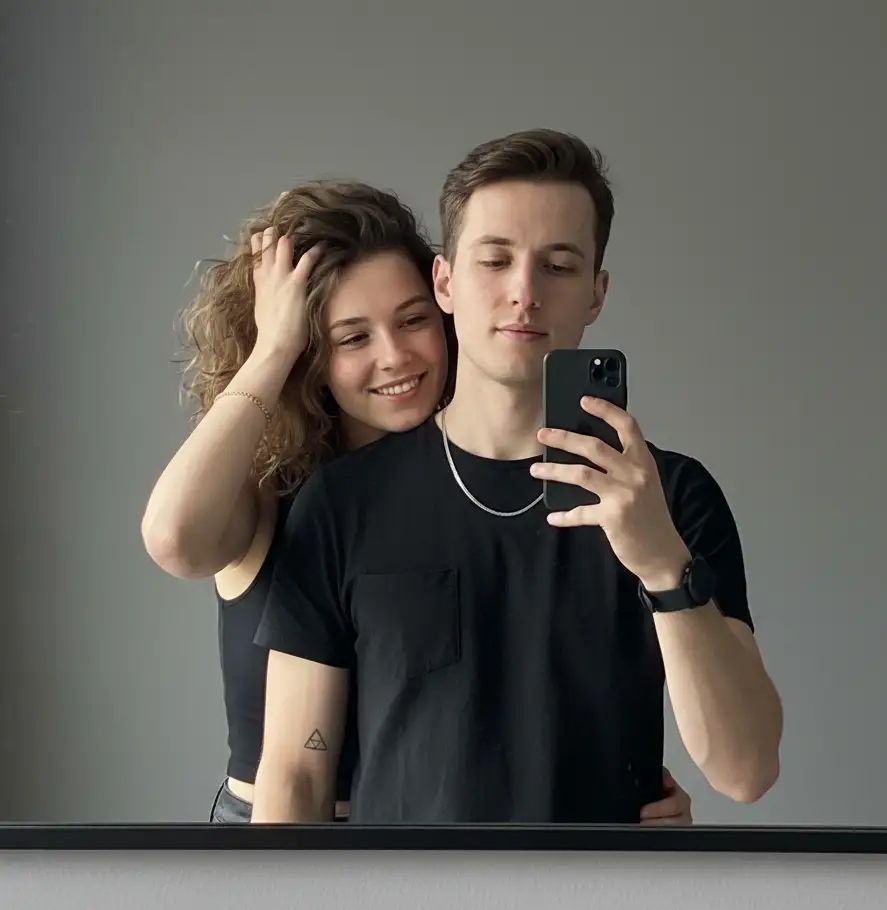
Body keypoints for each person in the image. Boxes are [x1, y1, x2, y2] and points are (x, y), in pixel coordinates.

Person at [251, 131, 783, 826]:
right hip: (402, 895)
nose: (524, 293)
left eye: (558, 266)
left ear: (596, 295)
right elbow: (295, 772)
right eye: (495, 261)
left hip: (604, 895)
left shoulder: (674, 496)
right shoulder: (343, 502)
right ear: (445, 282)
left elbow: (745, 770)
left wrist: (661, 563)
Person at [141, 179, 693, 825]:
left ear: (444, 303)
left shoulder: (493, 485)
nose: (395, 356)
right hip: (278, 826)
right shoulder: (279, 490)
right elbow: (174, 540)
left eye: (412, 321)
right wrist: (273, 349)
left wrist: (626, 794)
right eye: (352, 338)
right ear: (311, 355)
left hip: (423, 835)